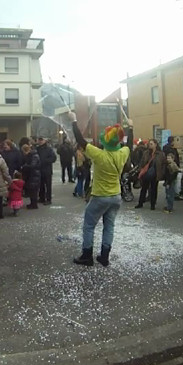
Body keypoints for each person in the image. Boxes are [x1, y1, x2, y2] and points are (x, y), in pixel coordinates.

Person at [71, 113, 132, 267]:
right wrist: (130, 128)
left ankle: (87, 256)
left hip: (100, 196)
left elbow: (80, 140)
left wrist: (73, 120)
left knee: (89, 225)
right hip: (116, 196)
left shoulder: (98, 154)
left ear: (105, 141)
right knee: (109, 226)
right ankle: (104, 257)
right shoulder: (122, 153)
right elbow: (129, 144)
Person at [135, 139, 165, 211]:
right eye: (149, 144)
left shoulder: (160, 154)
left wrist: (162, 173)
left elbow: (163, 164)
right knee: (144, 188)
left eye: (151, 144)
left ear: (155, 144)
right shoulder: (146, 153)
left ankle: (153, 204)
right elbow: (142, 162)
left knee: (154, 189)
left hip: (155, 173)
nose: (150, 145)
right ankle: (140, 203)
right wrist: (140, 170)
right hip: (146, 173)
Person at [36, 136, 57, 204]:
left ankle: (48, 199)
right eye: (39, 140)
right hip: (40, 170)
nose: (40, 141)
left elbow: (53, 158)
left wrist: (45, 161)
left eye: (41, 140)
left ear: (44, 141)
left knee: (48, 185)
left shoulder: (49, 149)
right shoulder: (37, 149)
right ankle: (41, 198)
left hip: (47, 170)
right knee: (41, 185)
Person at [20, 143, 41, 209]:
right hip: (33, 175)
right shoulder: (33, 155)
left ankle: (34, 204)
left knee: (33, 190)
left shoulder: (33, 156)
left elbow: (33, 166)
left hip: (34, 175)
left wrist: (24, 167)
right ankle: (32, 203)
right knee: (32, 190)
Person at [162, 136, 182, 200]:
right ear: (172, 141)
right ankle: (173, 195)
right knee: (173, 182)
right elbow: (175, 159)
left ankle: (168, 194)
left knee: (168, 181)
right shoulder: (172, 149)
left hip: (166, 167)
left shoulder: (165, 148)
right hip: (172, 168)